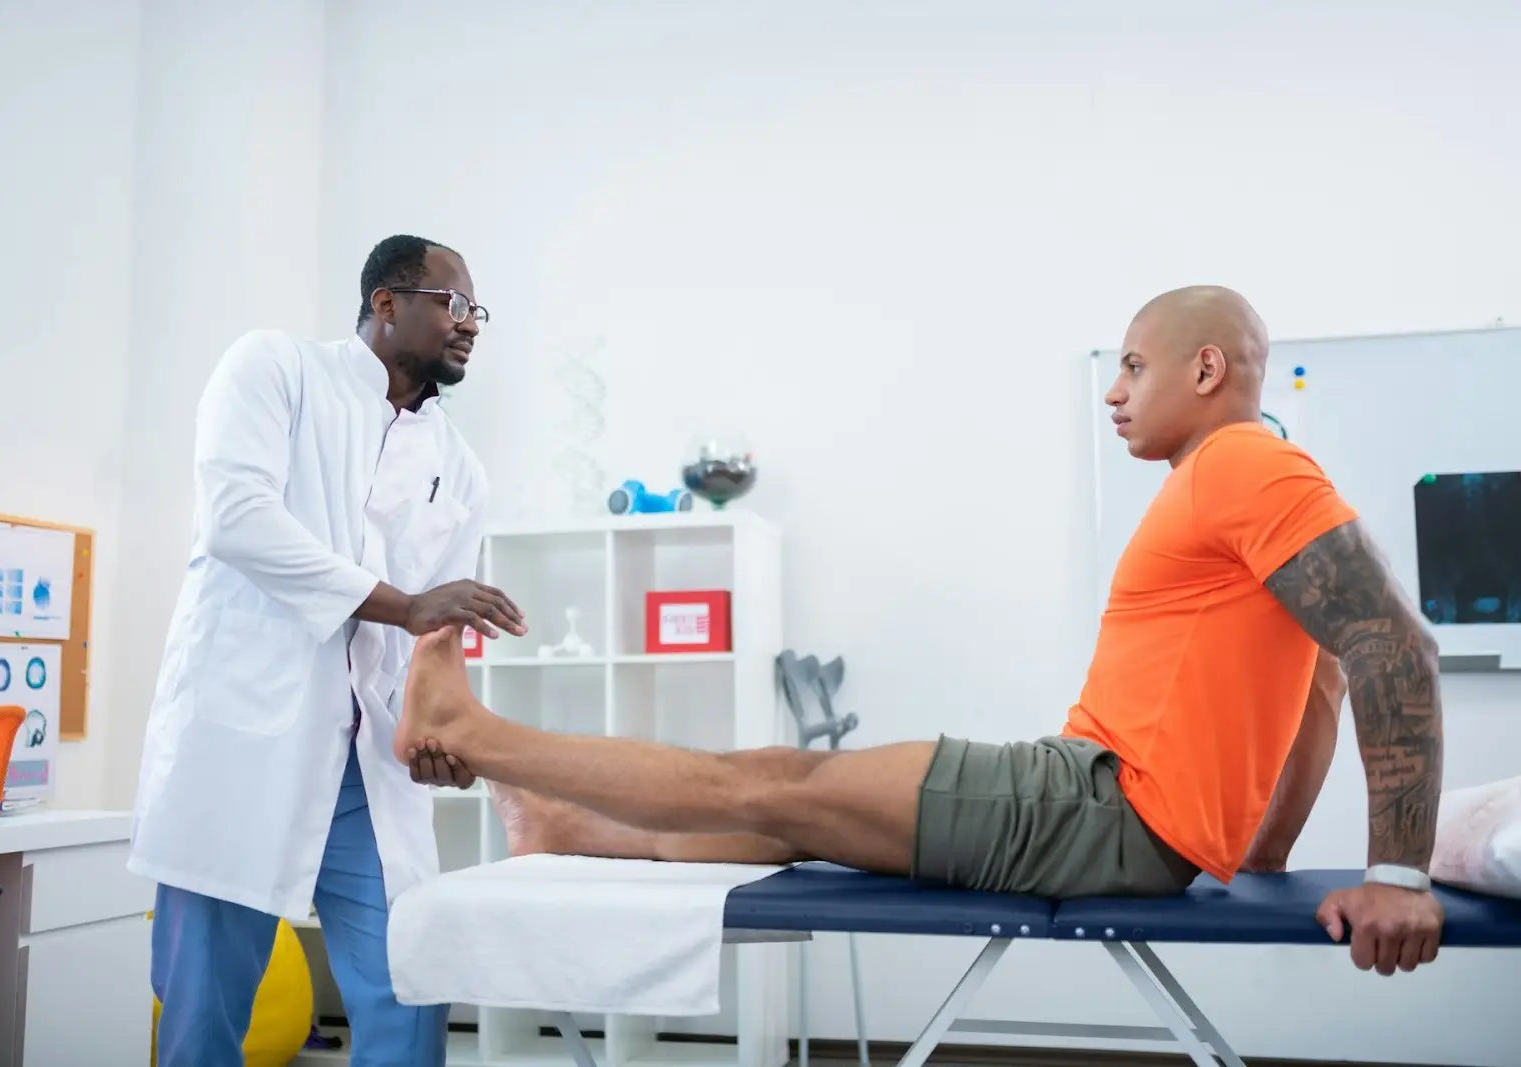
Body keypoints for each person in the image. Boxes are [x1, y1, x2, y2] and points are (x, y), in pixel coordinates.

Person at [399, 285, 1449, 979]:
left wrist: (1394, 877)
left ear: (1207, 370)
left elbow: (1393, 648)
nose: (1114, 390)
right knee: (794, 816)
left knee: (770, 780)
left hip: (1098, 801)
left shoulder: (1241, 465)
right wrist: (1258, 857)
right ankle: (564, 827)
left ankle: (472, 730)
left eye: (1133, 365)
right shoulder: (1241, 483)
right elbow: (1326, 682)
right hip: (1121, 813)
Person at [129, 234, 527, 1066]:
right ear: (387, 300)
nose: (471, 326)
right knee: (205, 1007)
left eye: (477, 312)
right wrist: (406, 603)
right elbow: (238, 518)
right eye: (454, 304)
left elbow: (436, 637)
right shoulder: (277, 370)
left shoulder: (460, 469)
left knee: (409, 977)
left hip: (370, 762)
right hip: (246, 738)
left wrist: (443, 729)